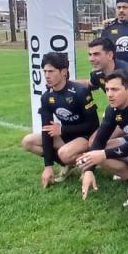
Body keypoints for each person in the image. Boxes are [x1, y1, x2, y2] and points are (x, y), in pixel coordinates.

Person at [21, 52, 99, 187]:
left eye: (51, 71)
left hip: (85, 136)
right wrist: (48, 166)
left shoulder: (80, 92)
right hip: (65, 135)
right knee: (28, 142)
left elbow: (93, 125)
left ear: (63, 72)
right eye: (45, 71)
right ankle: (68, 164)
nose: (46, 75)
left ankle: (88, 164)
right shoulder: (46, 97)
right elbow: (47, 131)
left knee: (64, 153)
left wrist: (62, 129)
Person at [75, 69, 128, 204]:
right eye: (107, 89)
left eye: (115, 90)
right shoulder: (113, 109)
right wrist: (89, 170)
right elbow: (99, 140)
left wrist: (104, 154)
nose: (109, 94)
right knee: (97, 151)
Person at [86, 37, 128, 101]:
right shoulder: (97, 74)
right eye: (90, 55)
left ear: (110, 55)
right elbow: (89, 84)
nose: (91, 59)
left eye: (96, 54)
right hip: (117, 108)